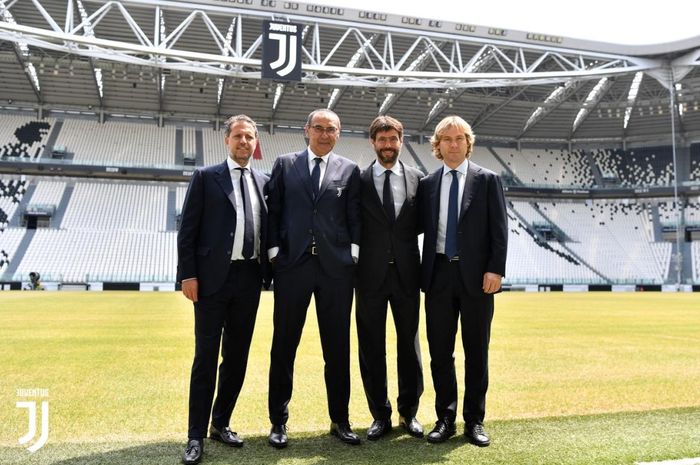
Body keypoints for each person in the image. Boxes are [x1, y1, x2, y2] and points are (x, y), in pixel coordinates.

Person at [177, 114, 271, 465]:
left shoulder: (264, 181)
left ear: (256, 142)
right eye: (239, 136)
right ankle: (195, 436)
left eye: (250, 137)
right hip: (211, 280)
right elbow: (187, 230)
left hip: (249, 279)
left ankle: (221, 423)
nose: (245, 142)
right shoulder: (205, 177)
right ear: (226, 140)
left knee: (237, 358)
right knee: (205, 358)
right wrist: (188, 275)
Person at [266, 109, 362, 447]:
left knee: (337, 349)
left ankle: (340, 419)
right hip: (293, 267)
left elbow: (354, 217)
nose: (324, 134)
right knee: (284, 347)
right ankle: (278, 423)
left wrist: (352, 254)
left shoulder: (350, 169)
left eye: (331, 129)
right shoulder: (284, 163)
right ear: (306, 130)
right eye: (318, 128)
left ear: (339, 133)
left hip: (336, 271)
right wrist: (275, 252)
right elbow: (273, 210)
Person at [416, 115, 507, 446]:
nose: (453, 144)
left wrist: (496, 269)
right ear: (437, 145)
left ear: (469, 143)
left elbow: (499, 229)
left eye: (459, 139)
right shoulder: (427, 184)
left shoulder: (488, 180)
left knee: (476, 352)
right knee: (440, 353)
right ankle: (445, 418)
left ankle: (475, 420)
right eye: (446, 139)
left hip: (477, 280)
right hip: (438, 275)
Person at [355, 116, 424, 440]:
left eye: (392, 139)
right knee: (371, 347)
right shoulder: (359, 179)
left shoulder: (417, 180)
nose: (387, 145)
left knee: (409, 346)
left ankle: (408, 413)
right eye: (381, 140)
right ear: (373, 142)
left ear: (401, 140)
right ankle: (379, 414)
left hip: (408, 275)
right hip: (368, 276)